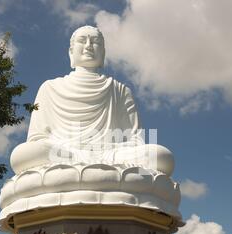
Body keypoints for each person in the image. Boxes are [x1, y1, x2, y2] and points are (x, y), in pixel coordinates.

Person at [10, 25, 175, 176]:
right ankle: (100, 172)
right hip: (65, 153)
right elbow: (37, 138)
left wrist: (110, 152)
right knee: (23, 154)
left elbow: (134, 139)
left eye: (95, 42)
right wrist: (70, 151)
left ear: (103, 52)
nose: (88, 45)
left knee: (160, 157)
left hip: (111, 155)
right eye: (82, 41)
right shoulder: (50, 87)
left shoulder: (119, 90)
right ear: (71, 51)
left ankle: (87, 170)